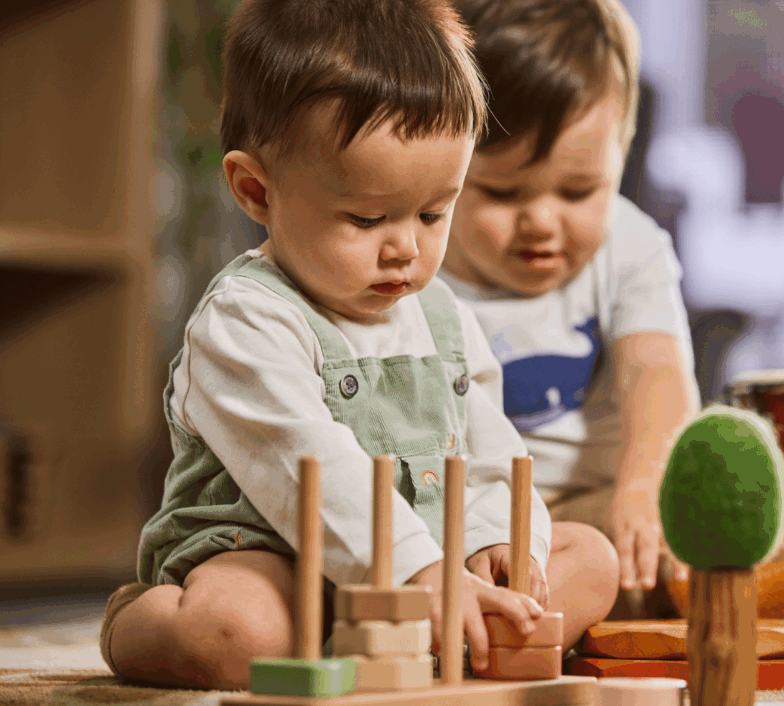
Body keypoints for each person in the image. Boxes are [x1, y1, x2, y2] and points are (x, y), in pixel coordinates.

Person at [98, 0, 618, 690]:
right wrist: (418, 574)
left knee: (590, 559)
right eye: (367, 217)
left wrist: (497, 539)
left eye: (434, 212)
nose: (406, 246)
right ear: (257, 190)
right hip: (270, 554)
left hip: (430, 554)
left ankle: (437, 629)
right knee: (239, 636)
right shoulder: (244, 322)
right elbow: (306, 467)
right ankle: (139, 619)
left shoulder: (440, 315)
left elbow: (492, 444)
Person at [440, 0, 701, 612]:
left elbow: (657, 371)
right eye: (502, 192)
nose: (541, 221)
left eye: (579, 190)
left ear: (621, 153)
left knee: (683, 551)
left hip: (597, 505)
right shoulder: (415, 259)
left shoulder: (630, 246)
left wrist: (642, 486)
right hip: (467, 518)